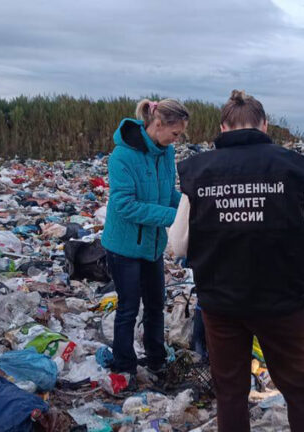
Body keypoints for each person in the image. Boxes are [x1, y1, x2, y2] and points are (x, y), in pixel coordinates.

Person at [170, 90, 304, 432]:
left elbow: (178, 245)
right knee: (300, 389)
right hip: (281, 301)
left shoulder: (198, 171)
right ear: (265, 124)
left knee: (230, 392)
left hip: (220, 301)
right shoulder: (291, 167)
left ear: (223, 128)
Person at [101, 98, 189, 377]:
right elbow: (123, 205)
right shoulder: (122, 156)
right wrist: (172, 216)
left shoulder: (166, 153)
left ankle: (156, 359)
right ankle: (124, 365)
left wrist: (189, 204)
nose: (178, 139)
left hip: (152, 246)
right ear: (158, 124)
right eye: (176, 133)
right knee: (128, 308)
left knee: (155, 304)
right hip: (124, 246)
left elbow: (167, 194)